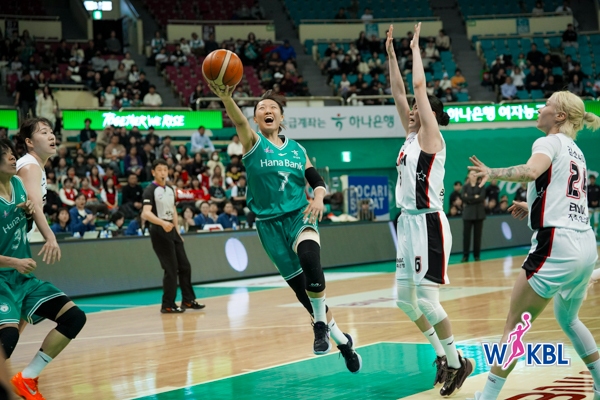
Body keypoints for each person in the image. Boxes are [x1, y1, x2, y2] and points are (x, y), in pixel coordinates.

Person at [208, 74, 362, 372]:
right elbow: (238, 121)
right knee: (306, 295)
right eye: (261, 108)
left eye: (272, 108)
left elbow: (315, 180)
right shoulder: (252, 143)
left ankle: (319, 326)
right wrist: (226, 97)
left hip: (299, 216)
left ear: (281, 117)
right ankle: (343, 342)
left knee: (310, 258)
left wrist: (319, 197)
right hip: (269, 226)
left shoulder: (297, 150)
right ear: (256, 119)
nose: (267, 110)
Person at [468, 91, 600, 400]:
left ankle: (487, 397)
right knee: (568, 319)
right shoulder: (576, 151)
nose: (541, 108)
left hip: (557, 246)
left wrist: (492, 173)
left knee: (514, 326)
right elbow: (566, 199)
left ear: (560, 116)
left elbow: (530, 172)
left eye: (548, 104)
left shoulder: (548, 142)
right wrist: (535, 208)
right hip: (585, 244)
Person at [386, 24, 474, 394]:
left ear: (430, 114)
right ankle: (442, 356)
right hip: (407, 224)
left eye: (417, 108)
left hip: (429, 225)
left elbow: (418, 88)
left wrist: (415, 50)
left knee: (427, 300)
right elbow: (399, 92)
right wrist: (391, 55)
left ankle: (458, 362)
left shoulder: (431, 138)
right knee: (404, 301)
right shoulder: (410, 137)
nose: (410, 110)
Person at [0, 139, 86, 400]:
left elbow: (21, 227)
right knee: (8, 338)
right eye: (6, 155)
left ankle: (27, 378)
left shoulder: (18, 185)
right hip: (2, 280)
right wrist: (14, 262)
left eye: (13, 153)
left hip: (24, 279)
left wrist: (28, 215)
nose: (13, 158)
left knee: (74, 317)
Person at [142, 160, 205, 313]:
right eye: (159, 170)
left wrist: (177, 231)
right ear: (153, 173)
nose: (163, 172)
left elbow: (174, 211)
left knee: (185, 266)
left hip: (172, 230)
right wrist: (162, 223)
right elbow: (146, 213)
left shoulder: (170, 189)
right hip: (159, 229)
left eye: (165, 169)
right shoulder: (150, 190)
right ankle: (167, 304)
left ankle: (188, 300)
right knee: (171, 269)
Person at [16, 118, 61, 264]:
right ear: (29, 142)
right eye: (44, 133)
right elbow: (35, 205)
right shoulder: (30, 166)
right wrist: (50, 237)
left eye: (51, 132)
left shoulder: (36, 165)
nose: (51, 136)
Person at [461, 170, 486, 262]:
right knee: (466, 236)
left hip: (479, 213)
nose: (473, 175)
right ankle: (465, 256)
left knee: (477, 236)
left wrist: (469, 198)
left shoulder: (481, 186)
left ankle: (476, 255)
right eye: (471, 174)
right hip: (468, 214)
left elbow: (481, 197)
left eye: (475, 174)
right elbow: (463, 197)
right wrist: (475, 197)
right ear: (468, 175)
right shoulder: (465, 187)